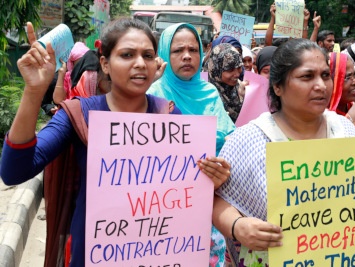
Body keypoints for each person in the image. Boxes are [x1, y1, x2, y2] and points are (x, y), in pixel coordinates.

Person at [0, 18, 229, 267]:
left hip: (158, 254)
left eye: (148, 55)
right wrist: (33, 92)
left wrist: (214, 177)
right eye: (127, 54)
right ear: (105, 64)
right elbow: (14, 171)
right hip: (95, 256)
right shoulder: (79, 114)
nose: (140, 63)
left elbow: (190, 189)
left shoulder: (170, 117)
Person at [211, 38, 355, 266]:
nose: (321, 86)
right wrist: (237, 226)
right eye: (307, 76)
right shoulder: (249, 140)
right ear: (278, 87)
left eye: (325, 75)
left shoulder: (345, 131)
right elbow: (215, 198)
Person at [146, 23, 235, 266]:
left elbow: (230, 138)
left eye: (193, 50)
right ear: (164, 53)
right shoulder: (154, 95)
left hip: (211, 199)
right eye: (177, 50)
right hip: (166, 204)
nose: (187, 56)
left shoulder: (209, 92)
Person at [208, 43, 244, 123]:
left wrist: (247, 98)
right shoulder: (207, 96)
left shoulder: (242, 88)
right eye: (230, 70)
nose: (237, 74)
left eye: (239, 67)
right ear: (217, 70)